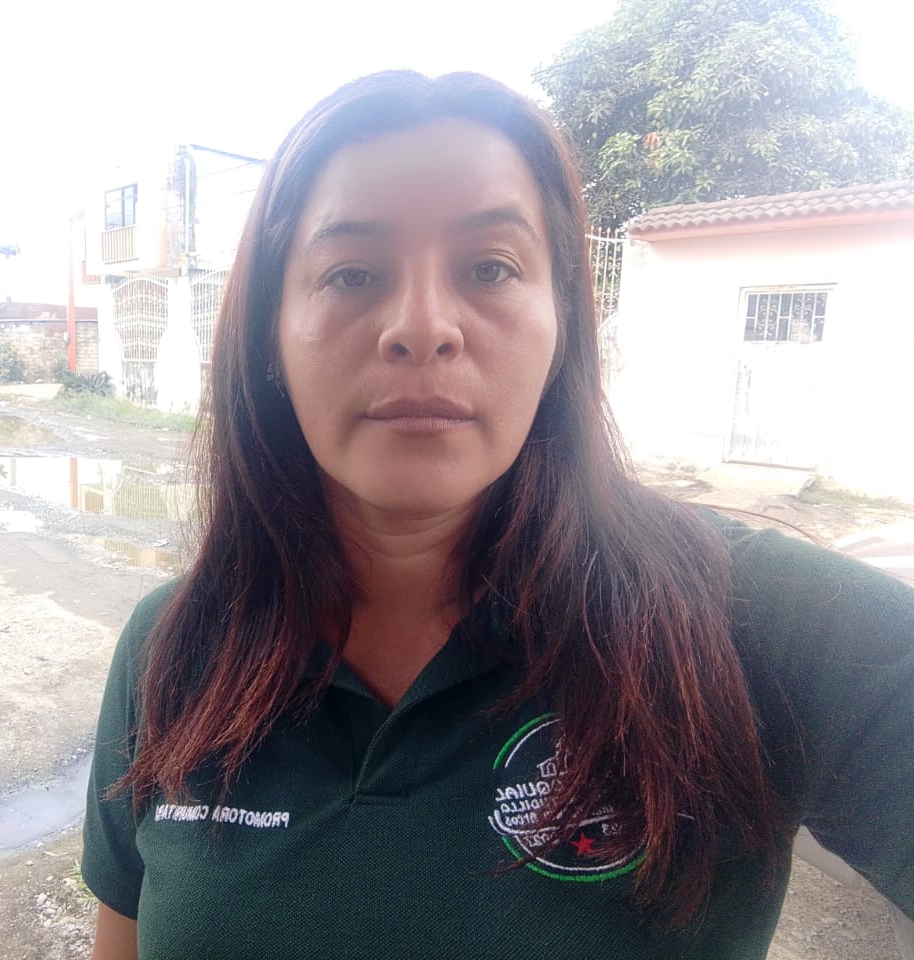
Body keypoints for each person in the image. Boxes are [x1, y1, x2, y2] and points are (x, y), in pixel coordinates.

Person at [81, 71, 914, 959]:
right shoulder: (175, 647)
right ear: (269, 337)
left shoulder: (757, 621)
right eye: (351, 273)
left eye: (491, 268)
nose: (422, 327)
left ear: (563, 327)